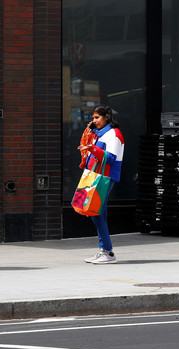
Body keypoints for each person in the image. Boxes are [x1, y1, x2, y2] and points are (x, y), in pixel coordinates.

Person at [77, 105, 124, 264]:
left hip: (104, 177)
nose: (94, 121)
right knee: (97, 212)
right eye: (93, 117)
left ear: (106, 117)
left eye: (97, 117)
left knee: (95, 212)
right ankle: (104, 251)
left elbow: (111, 158)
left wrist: (93, 148)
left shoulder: (114, 134)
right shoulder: (100, 134)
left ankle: (108, 252)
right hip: (96, 176)